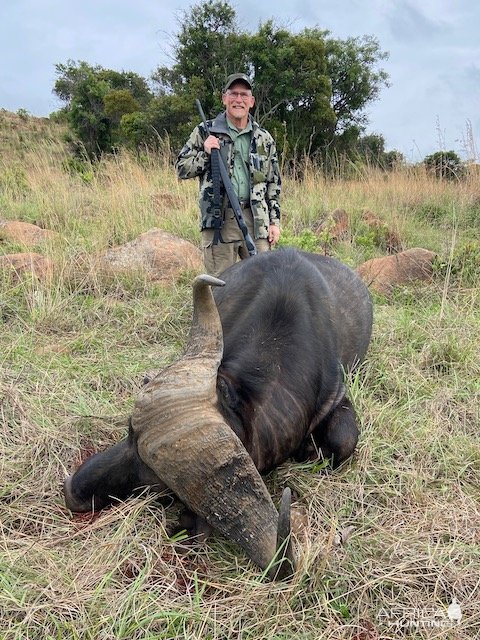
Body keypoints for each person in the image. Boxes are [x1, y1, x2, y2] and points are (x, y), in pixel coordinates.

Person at [175, 73, 281, 276]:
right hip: (219, 222)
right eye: (233, 94)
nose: (238, 100)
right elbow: (182, 168)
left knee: (264, 287)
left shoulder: (264, 138)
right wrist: (205, 153)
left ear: (252, 101)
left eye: (244, 95)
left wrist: (274, 222)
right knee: (221, 290)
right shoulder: (206, 131)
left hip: (256, 220)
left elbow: (273, 183)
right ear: (224, 98)